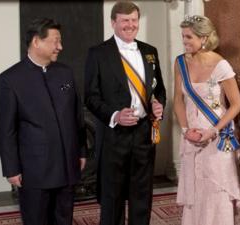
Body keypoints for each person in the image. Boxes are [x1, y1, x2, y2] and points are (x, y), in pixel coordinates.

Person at [0, 18, 86, 225]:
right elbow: (6, 129)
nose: (60, 47)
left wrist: (81, 151)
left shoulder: (66, 72)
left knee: (64, 219)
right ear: (36, 42)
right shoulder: (9, 79)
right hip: (34, 170)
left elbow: (77, 116)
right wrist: (11, 168)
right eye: (55, 41)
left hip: (67, 164)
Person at [84, 2, 166, 225]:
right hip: (114, 136)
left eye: (134, 20)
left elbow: (158, 90)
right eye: (125, 21)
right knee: (112, 197)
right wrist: (115, 115)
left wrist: (158, 105)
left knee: (142, 195)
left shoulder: (150, 52)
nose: (130, 25)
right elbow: (90, 97)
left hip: (144, 133)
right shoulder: (98, 53)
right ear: (113, 23)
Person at [173, 15, 240, 225]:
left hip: (217, 137)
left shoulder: (221, 65)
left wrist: (212, 131)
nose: (184, 42)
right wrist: (185, 130)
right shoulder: (180, 62)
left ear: (204, 38)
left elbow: (236, 104)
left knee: (215, 190)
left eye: (189, 37)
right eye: (183, 37)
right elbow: (177, 100)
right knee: (195, 190)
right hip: (192, 136)